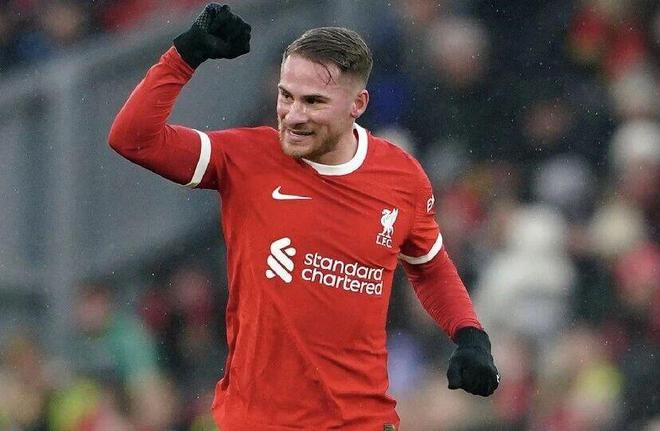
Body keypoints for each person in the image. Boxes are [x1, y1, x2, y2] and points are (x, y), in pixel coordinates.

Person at [108, 3, 499, 430]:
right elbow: (133, 138)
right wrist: (186, 53)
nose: (293, 115)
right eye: (286, 96)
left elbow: (430, 266)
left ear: (357, 104)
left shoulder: (402, 178)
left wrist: (469, 335)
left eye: (313, 101)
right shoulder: (247, 157)